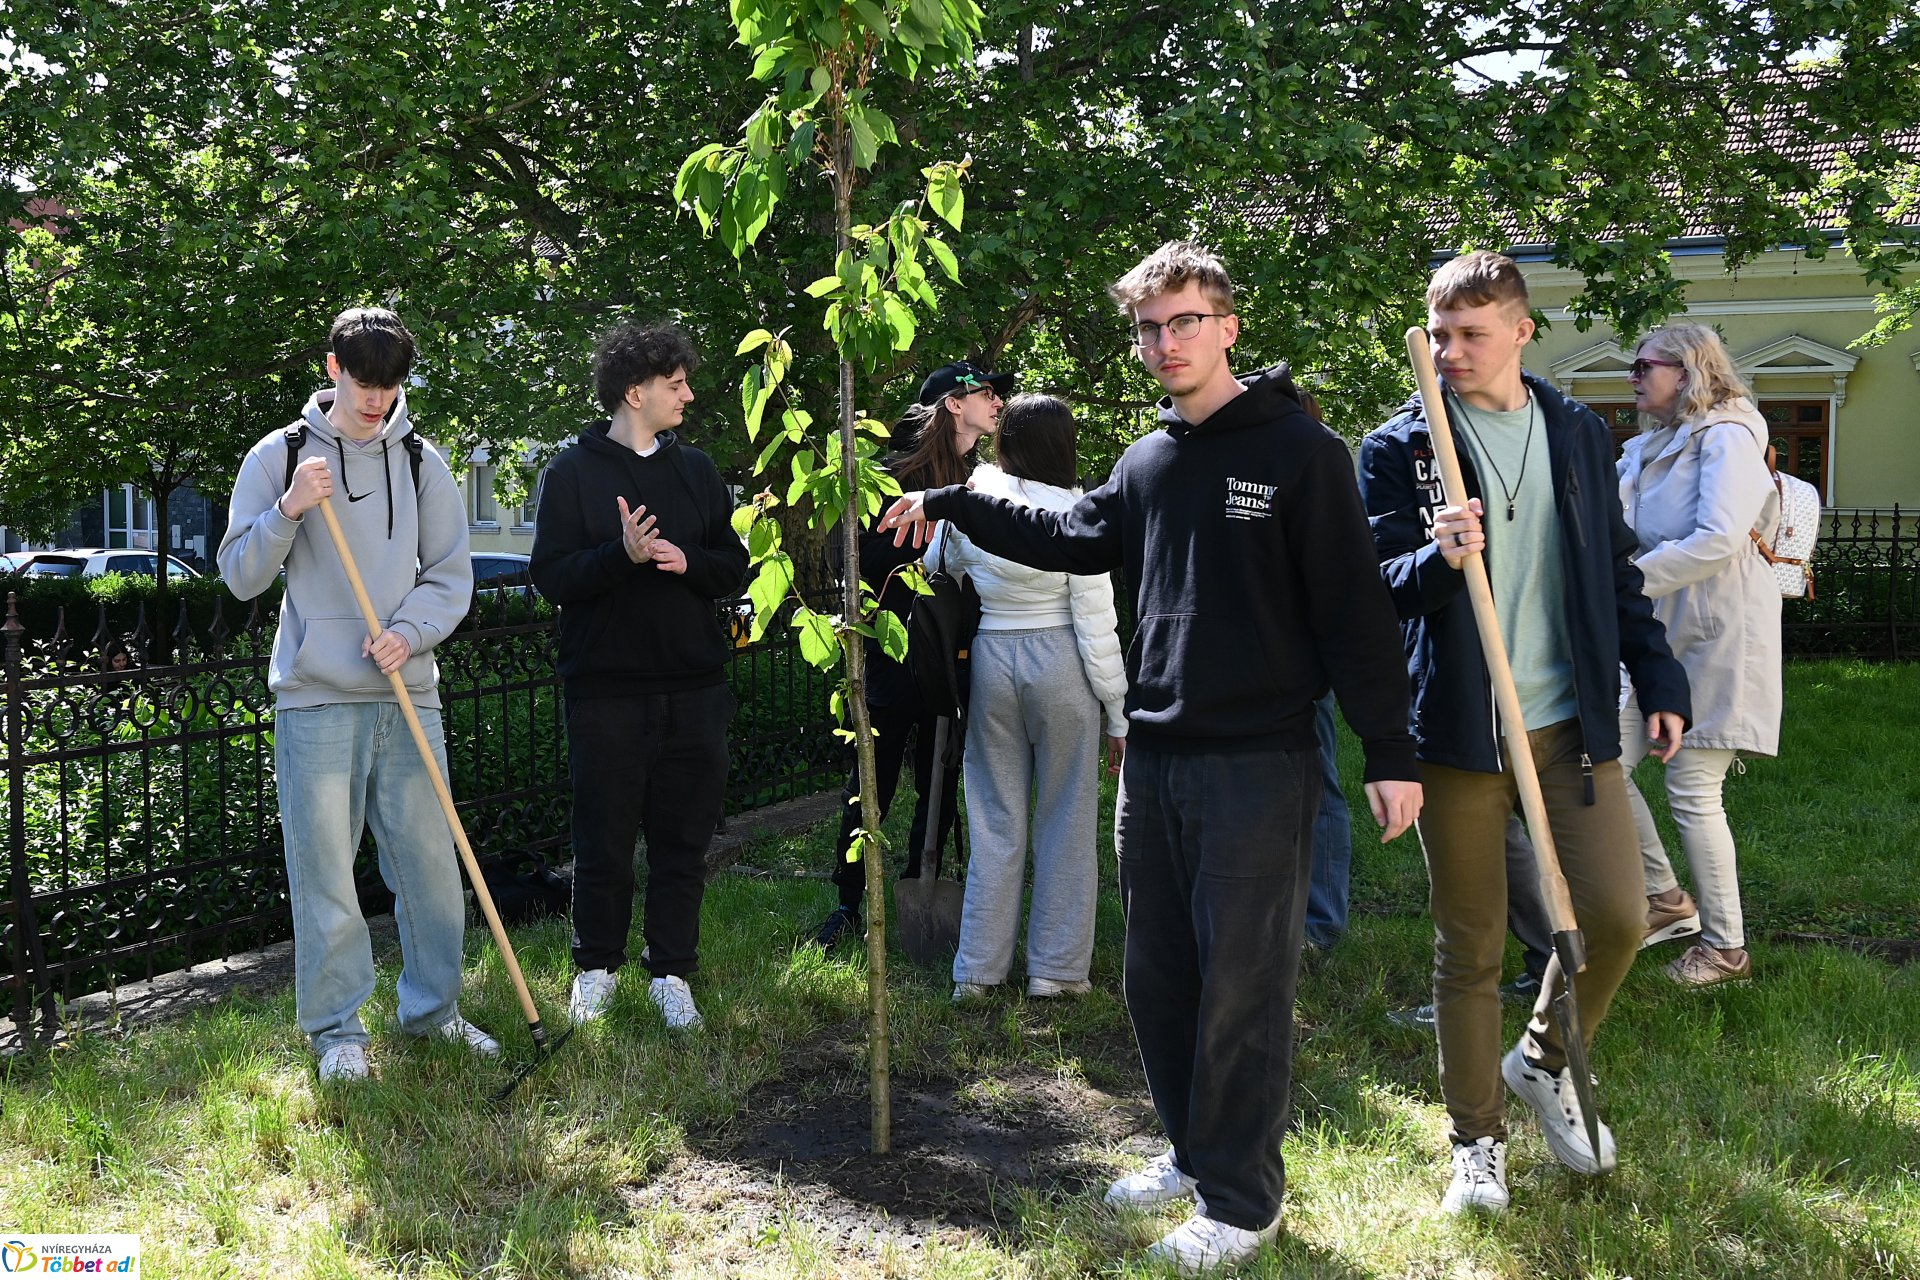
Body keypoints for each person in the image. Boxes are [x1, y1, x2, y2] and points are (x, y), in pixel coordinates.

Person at [880, 241, 1421, 1275]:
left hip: (1260, 761)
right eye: (1148, 328)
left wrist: (1391, 750)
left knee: (1242, 987)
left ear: (1226, 325)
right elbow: (1077, 534)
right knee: (1159, 976)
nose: (1165, 344)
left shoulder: (1302, 454)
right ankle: (1189, 1148)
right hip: (1158, 754)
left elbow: (1355, 610)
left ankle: (1244, 1199)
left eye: (1184, 322)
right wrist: (951, 500)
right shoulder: (1150, 458)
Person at [1358, 251, 1691, 1215]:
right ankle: (1476, 1142)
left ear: (1519, 331)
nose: (1452, 352)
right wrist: (1433, 556)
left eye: (1471, 334)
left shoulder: (1577, 432)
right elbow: (1366, 591)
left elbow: (1614, 572)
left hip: (1566, 727)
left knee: (1621, 920)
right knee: (1470, 950)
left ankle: (1542, 1060)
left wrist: (1656, 675)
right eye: (1440, 333)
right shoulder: (1401, 447)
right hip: (1460, 737)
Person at [218, 306, 497, 1082]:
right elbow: (240, 575)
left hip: (407, 688)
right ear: (334, 368)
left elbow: (449, 576)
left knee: (432, 870)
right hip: (317, 699)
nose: (377, 402)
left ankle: (435, 1013)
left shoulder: (421, 463)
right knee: (326, 874)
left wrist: (408, 632)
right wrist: (287, 512)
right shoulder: (280, 457)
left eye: (391, 386)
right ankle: (337, 1032)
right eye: (365, 383)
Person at [530, 323, 748, 1031]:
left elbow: (733, 564)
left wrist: (688, 561)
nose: (687, 393)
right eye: (675, 383)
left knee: (684, 841)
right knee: (604, 839)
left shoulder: (698, 472)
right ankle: (595, 969)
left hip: (695, 687)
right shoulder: (571, 474)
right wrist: (619, 555)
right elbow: (552, 578)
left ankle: (672, 972)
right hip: (607, 690)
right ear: (635, 392)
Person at [929, 393, 1126, 1003]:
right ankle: (1057, 970)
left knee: (994, 818)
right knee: (1066, 817)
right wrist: (1118, 712)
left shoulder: (975, 503)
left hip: (992, 657)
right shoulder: (1075, 513)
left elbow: (940, 566)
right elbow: (1097, 622)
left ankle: (977, 971)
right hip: (1062, 661)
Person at [808, 360, 1009, 950]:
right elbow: (850, 562)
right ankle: (848, 902)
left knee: (942, 774)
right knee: (874, 776)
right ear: (953, 404)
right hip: (896, 649)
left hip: (959, 651)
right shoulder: (891, 478)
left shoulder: (986, 481)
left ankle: (919, 882)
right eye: (986, 393)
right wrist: (909, 552)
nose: (998, 403)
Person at [1616, 323, 1780, 987]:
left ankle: (1725, 949)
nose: (1632, 377)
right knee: (1596, 761)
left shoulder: (1729, 436)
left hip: (1718, 631)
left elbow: (1718, 537)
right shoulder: (1648, 446)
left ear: (1685, 371)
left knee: (1693, 789)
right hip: (1654, 632)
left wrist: (1623, 585)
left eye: (1643, 365)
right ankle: (1663, 898)